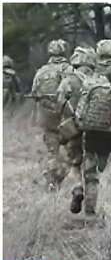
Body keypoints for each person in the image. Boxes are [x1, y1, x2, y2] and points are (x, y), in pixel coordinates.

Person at [56, 46, 111, 224]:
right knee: (92, 173)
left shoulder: (68, 81)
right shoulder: (98, 80)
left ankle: (78, 188)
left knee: (74, 164)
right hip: (94, 130)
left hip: (74, 131)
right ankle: (90, 213)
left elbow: (59, 103)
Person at [30, 39, 74, 191]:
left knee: (52, 152)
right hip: (65, 117)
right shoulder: (69, 70)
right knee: (72, 152)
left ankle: (51, 182)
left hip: (47, 119)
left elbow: (34, 93)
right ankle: (68, 178)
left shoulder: (41, 71)